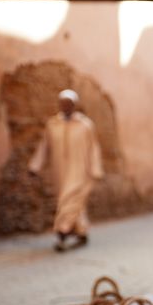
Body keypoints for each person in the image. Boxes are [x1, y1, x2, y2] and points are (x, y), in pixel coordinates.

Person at [29, 89, 104, 252]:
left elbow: (94, 148)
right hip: (60, 170)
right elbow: (44, 147)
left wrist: (96, 170)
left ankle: (62, 232)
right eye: (63, 103)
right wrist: (35, 166)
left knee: (69, 200)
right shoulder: (52, 124)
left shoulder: (85, 125)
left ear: (75, 105)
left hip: (81, 170)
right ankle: (81, 232)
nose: (65, 106)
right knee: (72, 202)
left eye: (69, 103)